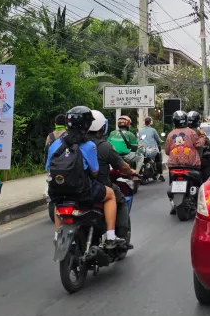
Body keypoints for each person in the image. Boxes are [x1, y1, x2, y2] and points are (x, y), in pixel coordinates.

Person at [46, 106, 125, 249]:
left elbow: (48, 168)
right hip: (82, 191)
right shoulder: (89, 146)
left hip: (56, 190)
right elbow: (94, 172)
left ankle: (57, 236)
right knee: (111, 195)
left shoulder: (55, 144)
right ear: (87, 125)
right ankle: (111, 236)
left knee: (59, 204)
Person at [89, 110, 137, 240]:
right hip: (98, 187)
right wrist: (131, 172)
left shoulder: (75, 143)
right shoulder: (104, 146)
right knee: (119, 199)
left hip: (76, 187)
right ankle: (116, 236)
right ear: (102, 127)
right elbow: (122, 166)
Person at [137, 116, 164, 181]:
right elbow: (157, 139)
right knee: (158, 159)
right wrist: (161, 141)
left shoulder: (140, 130)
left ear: (144, 122)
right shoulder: (153, 130)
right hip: (151, 149)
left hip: (141, 149)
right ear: (150, 122)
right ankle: (161, 175)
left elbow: (138, 139)